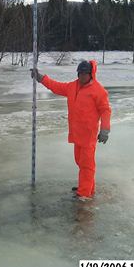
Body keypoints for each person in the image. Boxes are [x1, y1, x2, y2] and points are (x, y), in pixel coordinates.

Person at [31, 60, 111, 201]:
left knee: (87, 164)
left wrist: (105, 129)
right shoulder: (72, 86)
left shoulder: (98, 91)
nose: (82, 76)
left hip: (88, 134)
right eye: (79, 73)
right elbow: (56, 87)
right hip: (76, 133)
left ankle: (84, 194)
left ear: (90, 74)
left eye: (85, 74)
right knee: (80, 161)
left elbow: (105, 110)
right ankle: (86, 186)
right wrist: (41, 78)